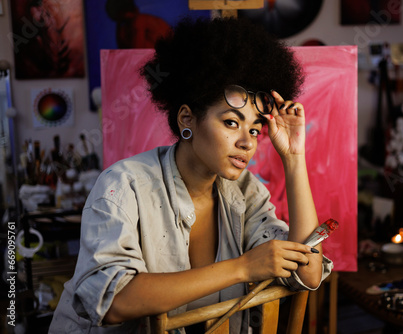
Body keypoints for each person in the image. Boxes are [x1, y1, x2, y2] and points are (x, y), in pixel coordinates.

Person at [49, 17, 332, 334]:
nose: (247, 141)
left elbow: (308, 275)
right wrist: (243, 267)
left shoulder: (245, 192)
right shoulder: (124, 184)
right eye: (230, 122)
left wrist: (293, 159)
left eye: (255, 128)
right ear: (188, 118)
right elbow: (115, 303)